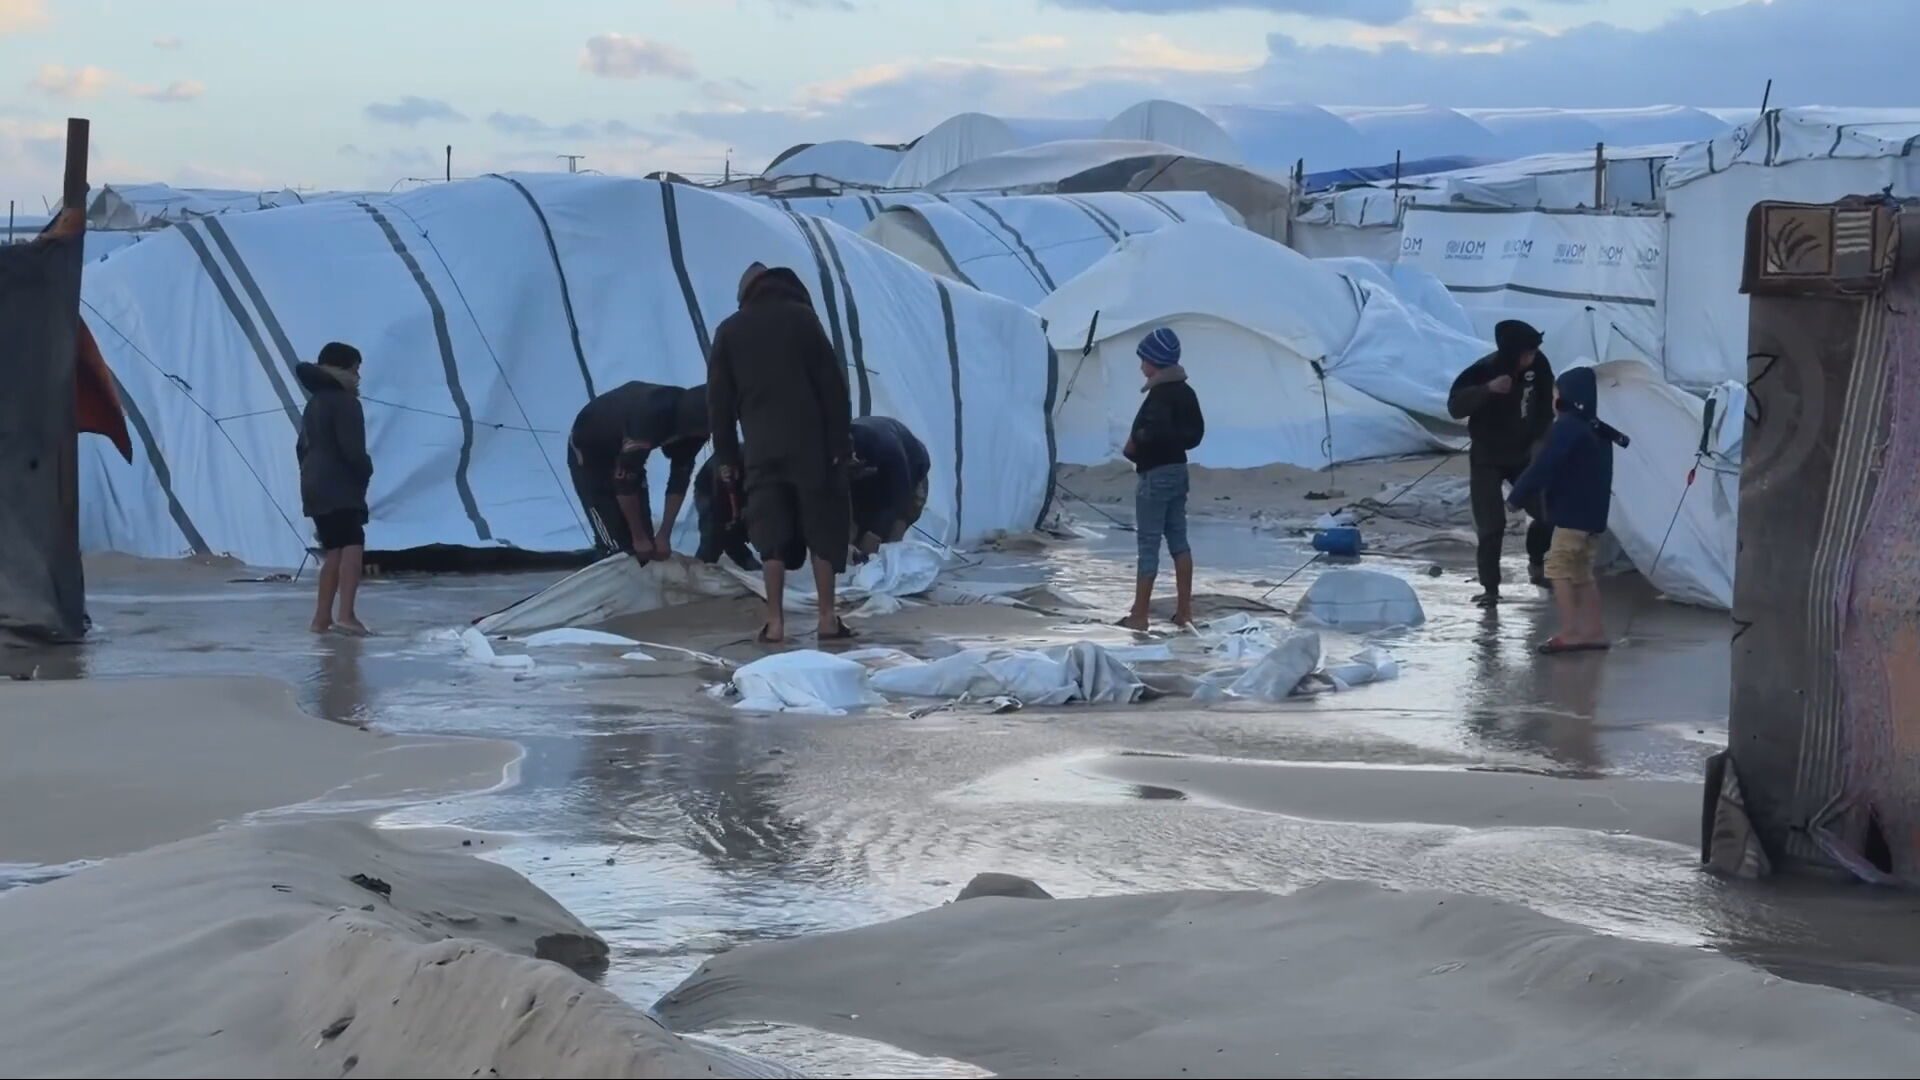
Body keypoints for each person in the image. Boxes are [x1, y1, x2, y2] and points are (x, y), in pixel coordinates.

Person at [708, 262, 854, 645]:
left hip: (760, 450)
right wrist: (841, 442)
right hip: (813, 448)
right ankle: (826, 618)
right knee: (823, 530)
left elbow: (718, 405)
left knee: (769, 534)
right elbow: (832, 386)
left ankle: (774, 622)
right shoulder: (802, 319)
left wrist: (726, 458)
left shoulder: (729, 330)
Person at [1506, 366, 1626, 655]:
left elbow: (1543, 467)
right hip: (1592, 518)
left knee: (1557, 569)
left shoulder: (1568, 427)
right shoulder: (1595, 427)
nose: (1553, 398)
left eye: (1556, 393)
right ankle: (1594, 631)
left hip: (1572, 517)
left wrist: (1516, 497)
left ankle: (1571, 632)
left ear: (1567, 397)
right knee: (1582, 573)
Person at [1448, 318, 1555, 606]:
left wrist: (1539, 445)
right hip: (1487, 457)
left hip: (1523, 455)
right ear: (1511, 353)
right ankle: (1490, 588)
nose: (1531, 358)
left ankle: (1536, 562)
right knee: (1491, 525)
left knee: (1547, 513)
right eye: (1526, 354)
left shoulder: (1540, 366)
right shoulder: (1485, 369)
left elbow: (1546, 408)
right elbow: (1455, 407)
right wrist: (1487, 390)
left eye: (1533, 352)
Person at [1118, 327, 1204, 632]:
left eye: (1143, 359)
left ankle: (1139, 615)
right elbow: (1195, 435)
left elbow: (1146, 434)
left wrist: (1134, 445)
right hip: (1179, 472)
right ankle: (1185, 611)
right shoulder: (1187, 392)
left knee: (1148, 543)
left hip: (1155, 475)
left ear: (1155, 362)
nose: (1141, 366)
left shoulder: (1159, 396)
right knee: (1179, 541)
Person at [568, 381, 708, 564]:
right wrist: (638, 537)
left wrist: (664, 534)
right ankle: (610, 570)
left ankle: (642, 579)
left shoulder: (702, 426)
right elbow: (624, 480)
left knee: (648, 547)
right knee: (618, 547)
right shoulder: (651, 416)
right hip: (590, 456)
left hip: (628, 456)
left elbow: (680, 478)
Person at [295, 342, 374, 636]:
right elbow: (352, 450)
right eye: (356, 368)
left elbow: (300, 447)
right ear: (344, 369)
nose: (359, 375)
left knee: (334, 551)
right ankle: (347, 616)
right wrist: (366, 470)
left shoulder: (314, 403)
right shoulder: (346, 403)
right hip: (339, 485)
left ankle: (321, 619)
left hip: (313, 484)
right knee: (352, 544)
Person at [848, 414, 931, 558]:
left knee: (892, 533)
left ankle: (887, 565)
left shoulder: (892, 454)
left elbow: (899, 500)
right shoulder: (838, 449)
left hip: (912, 473)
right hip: (872, 480)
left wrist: (875, 533)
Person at [691, 455, 761, 571]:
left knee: (730, 536)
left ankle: (754, 570)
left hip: (736, 489)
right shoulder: (732, 464)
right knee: (715, 534)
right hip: (711, 490)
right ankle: (700, 569)